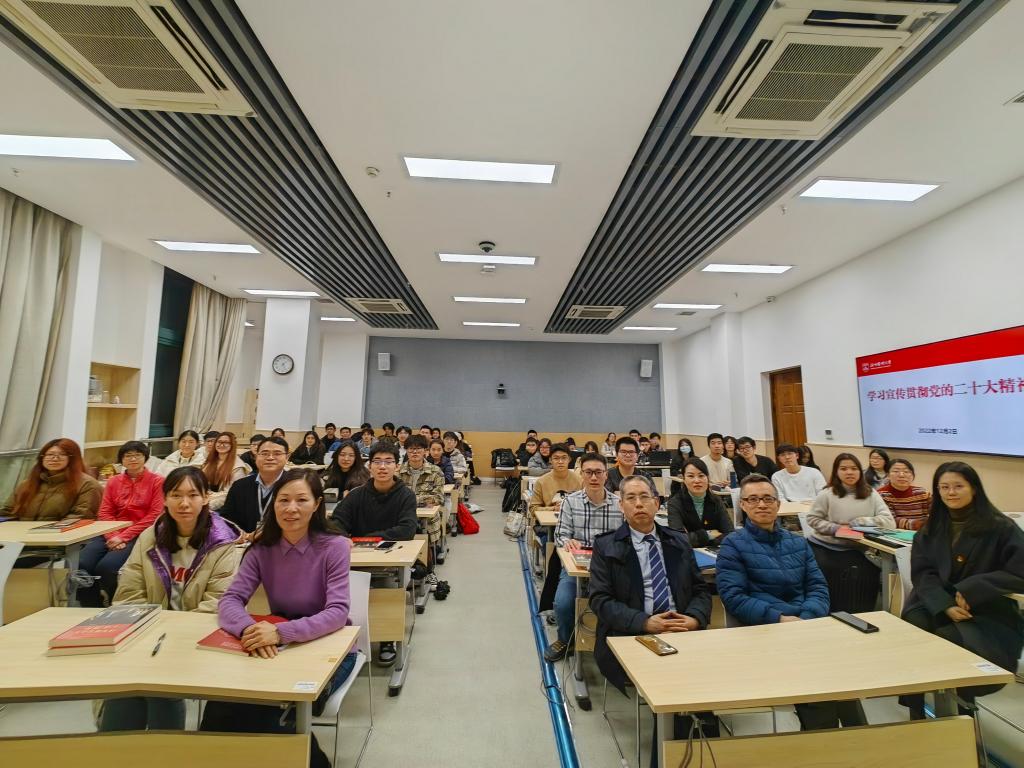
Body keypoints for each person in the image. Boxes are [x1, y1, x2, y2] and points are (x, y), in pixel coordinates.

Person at [201, 469, 354, 768]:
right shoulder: (263, 548)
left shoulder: (334, 546)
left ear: (317, 504)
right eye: (283, 500)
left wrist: (281, 633)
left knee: (275, 704)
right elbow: (231, 599)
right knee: (222, 701)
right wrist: (250, 629)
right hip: (274, 643)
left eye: (301, 500)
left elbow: (337, 612)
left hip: (328, 646)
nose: (291, 508)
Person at [716, 474, 864, 730]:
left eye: (767, 499)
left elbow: (817, 586)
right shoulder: (733, 545)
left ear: (778, 503)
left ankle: (857, 737)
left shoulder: (797, 542)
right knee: (817, 677)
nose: (761, 504)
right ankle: (829, 740)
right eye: (753, 499)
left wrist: (807, 618)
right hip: (766, 629)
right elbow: (734, 597)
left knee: (842, 672)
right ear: (743, 505)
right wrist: (780, 619)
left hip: (806, 626)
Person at [102, 466, 241, 732]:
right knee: (123, 687)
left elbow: (218, 602)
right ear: (164, 499)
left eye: (193, 495)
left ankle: (164, 747)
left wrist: (172, 636)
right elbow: (130, 590)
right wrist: (146, 633)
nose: (184, 503)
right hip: (146, 630)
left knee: (160, 686)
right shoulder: (151, 536)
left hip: (193, 636)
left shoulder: (222, 543)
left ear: (206, 498)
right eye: (176, 495)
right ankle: (116, 747)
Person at [590, 472, 715, 750]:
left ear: (657, 503)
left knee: (702, 676)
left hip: (683, 629)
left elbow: (701, 589)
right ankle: (681, 746)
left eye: (645, 497)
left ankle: (690, 739)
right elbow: (600, 600)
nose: (638, 504)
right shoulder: (606, 545)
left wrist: (694, 619)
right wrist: (644, 623)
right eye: (631, 498)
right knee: (678, 683)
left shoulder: (678, 540)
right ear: (621, 505)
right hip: (634, 635)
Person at [900, 462, 1024, 719]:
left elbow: (1020, 571)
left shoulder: (1000, 527)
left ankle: (962, 712)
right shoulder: (932, 527)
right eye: (944, 487)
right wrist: (943, 604)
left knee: (950, 639)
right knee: (913, 629)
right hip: (934, 601)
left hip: (985, 608)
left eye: (958, 486)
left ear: (974, 488)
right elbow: (923, 573)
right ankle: (916, 710)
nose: (951, 493)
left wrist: (972, 588)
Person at [332, 443, 417, 665]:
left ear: (397, 466)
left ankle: (388, 638)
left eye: (388, 462)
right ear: (369, 466)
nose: (382, 467)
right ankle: (344, 637)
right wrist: (344, 537)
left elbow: (407, 530)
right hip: (355, 560)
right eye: (377, 462)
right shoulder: (357, 495)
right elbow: (336, 522)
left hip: (391, 563)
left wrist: (368, 538)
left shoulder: (406, 496)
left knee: (387, 585)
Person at [544, 453, 623, 662]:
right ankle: (565, 640)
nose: (594, 477)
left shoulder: (620, 504)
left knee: (624, 602)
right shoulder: (570, 502)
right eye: (588, 472)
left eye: (598, 472)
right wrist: (568, 542)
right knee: (563, 603)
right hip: (576, 567)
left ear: (606, 475)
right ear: (582, 475)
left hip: (609, 570)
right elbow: (560, 535)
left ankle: (615, 643)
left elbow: (626, 539)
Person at [806, 453, 895, 613]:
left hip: (859, 547)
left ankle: (863, 613)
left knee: (870, 571)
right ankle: (832, 612)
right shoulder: (827, 493)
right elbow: (812, 519)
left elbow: (889, 521)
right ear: (836, 472)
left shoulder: (871, 493)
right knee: (836, 571)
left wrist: (862, 522)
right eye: (844, 469)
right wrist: (835, 529)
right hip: (826, 546)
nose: (849, 472)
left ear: (860, 471)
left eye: (854, 468)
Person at [78, 441, 164, 607]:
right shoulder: (113, 481)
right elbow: (105, 512)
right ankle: (91, 604)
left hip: (139, 533)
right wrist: (113, 535)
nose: (133, 459)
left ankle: (114, 602)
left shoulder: (157, 482)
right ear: (121, 460)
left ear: (145, 458)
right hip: (110, 532)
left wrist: (123, 537)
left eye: (137, 455)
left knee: (107, 567)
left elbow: (154, 515)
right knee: (81, 563)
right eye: (128, 456)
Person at [1, 438, 101, 521]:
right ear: (42, 458)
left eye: (62, 454)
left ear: (73, 458)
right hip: (20, 536)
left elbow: (80, 517)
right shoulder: (27, 484)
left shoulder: (87, 484)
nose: (55, 459)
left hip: (61, 537)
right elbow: (8, 512)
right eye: (49, 455)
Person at [397, 435, 445, 584]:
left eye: (418, 449)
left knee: (422, 532)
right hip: (400, 516)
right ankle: (402, 570)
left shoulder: (436, 471)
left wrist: (410, 499)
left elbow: (438, 498)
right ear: (406, 451)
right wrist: (423, 499)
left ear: (425, 451)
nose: (415, 452)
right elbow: (392, 496)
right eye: (411, 449)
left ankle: (428, 571)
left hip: (428, 519)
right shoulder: (398, 472)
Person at [220, 436, 288, 534]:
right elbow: (226, 519)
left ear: (287, 457)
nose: (270, 458)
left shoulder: (295, 486)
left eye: (277, 453)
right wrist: (240, 535)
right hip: (243, 541)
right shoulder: (239, 486)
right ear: (256, 457)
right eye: (264, 453)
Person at [666, 458, 734, 547]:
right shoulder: (675, 503)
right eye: (691, 476)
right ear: (684, 479)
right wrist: (708, 535)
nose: (697, 481)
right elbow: (677, 538)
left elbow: (730, 534)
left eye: (701, 476)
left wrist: (693, 538)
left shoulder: (716, 500)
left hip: (714, 552)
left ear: (708, 478)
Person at [529, 443, 582, 515]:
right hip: (549, 520)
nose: (560, 462)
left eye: (564, 458)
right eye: (556, 458)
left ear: (569, 459)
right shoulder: (541, 482)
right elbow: (533, 508)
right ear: (550, 460)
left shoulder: (580, 480)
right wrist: (553, 508)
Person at [878, 458, 931, 530]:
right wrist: (921, 525)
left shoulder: (921, 492)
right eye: (896, 471)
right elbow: (891, 520)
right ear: (888, 475)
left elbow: (936, 511)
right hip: (896, 534)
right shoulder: (881, 495)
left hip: (923, 532)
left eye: (906, 471)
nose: (901, 475)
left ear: (912, 475)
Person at [201, 431, 249, 510]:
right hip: (207, 497)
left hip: (225, 505)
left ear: (232, 445)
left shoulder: (238, 467)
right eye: (219, 442)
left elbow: (231, 493)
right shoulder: (210, 461)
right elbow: (201, 481)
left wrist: (207, 504)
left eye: (226, 442)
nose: (222, 445)